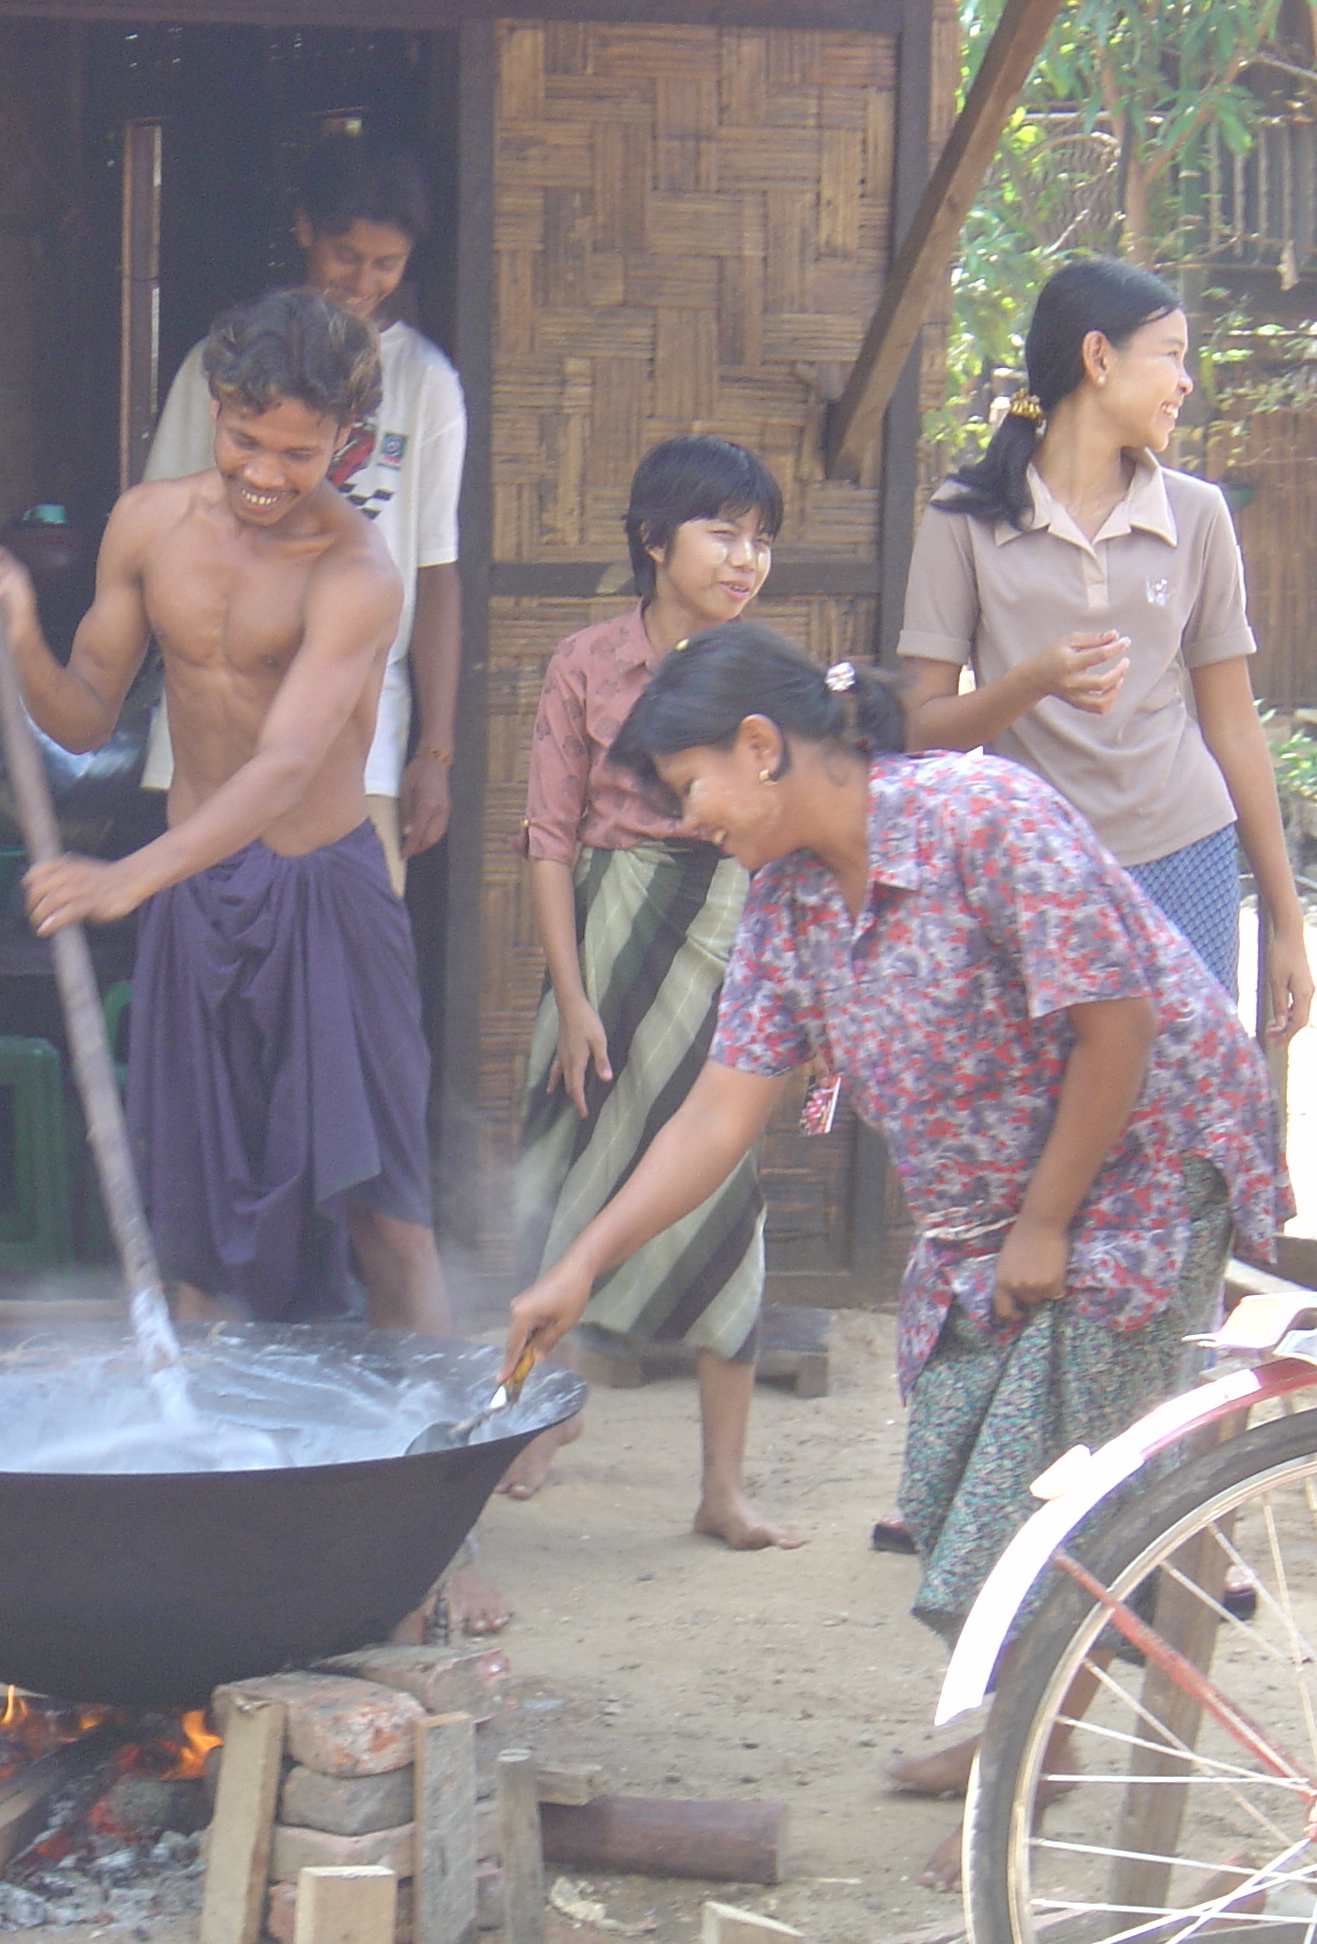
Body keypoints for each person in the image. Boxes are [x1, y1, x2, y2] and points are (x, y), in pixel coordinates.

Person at [501, 624, 1290, 1888]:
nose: (687, 818)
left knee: (1054, 1477)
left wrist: (1046, 1217)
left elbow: (1119, 1024)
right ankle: (1022, 1711)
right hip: (997, 1210)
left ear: (762, 750)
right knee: (964, 1459)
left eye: (690, 786)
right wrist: (582, 1262)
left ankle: (1034, 1762)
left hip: (1142, 1168)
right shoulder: (787, 900)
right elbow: (719, 1110)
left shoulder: (983, 815)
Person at [0, 287, 447, 1344]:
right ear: (215, 407)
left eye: (299, 454)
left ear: (347, 446)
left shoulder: (357, 575)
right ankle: (212, 1472)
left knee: (384, 1212)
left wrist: (127, 877)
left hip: (323, 897)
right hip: (197, 898)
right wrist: (19, 630)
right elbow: (84, 712)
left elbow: (282, 768)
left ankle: (450, 1467)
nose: (266, 475)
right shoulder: (147, 525)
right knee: (201, 1219)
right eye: (244, 440)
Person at [503, 436, 802, 1552]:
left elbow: (786, 839)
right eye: (723, 531)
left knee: (726, 1191)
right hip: (604, 929)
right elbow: (546, 838)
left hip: (730, 928)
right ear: (652, 538)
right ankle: (536, 1419)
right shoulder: (585, 662)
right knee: (563, 1175)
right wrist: (573, 999)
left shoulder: (770, 678)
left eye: (762, 538)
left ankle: (722, 1489)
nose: (746, 559)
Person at [897, 255, 1313, 1030]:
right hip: (1031, 870)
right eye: (1171, 355)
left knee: (1179, 1118)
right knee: (1051, 1126)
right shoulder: (963, 518)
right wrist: (1033, 682)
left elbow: (1232, 725)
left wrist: (1286, 923)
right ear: (1098, 358)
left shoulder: (1200, 515)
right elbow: (919, 728)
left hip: (1187, 854)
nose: (1185, 382)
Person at [141, 133, 465, 897]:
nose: (364, 280)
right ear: (304, 230)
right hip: (212, 713)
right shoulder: (218, 366)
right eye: (346, 254)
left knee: (349, 950)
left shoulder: (426, 383)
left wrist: (436, 750)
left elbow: (436, 569)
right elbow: (160, 528)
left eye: (387, 263)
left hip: (362, 723)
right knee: (212, 951)